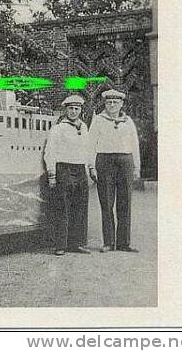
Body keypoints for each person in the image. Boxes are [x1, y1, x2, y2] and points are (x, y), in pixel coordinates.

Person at [44, 95, 98, 256]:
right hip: (63, 169)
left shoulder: (84, 127)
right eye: (71, 109)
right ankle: (60, 245)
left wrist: (91, 167)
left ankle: (77, 243)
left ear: (81, 110)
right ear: (65, 110)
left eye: (77, 109)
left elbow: (88, 149)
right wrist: (52, 174)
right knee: (62, 208)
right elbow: (50, 151)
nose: (74, 112)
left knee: (80, 207)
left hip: (80, 170)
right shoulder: (58, 128)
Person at [90, 89, 141, 253]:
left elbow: (135, 145)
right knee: (106, 202)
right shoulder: (98, 120)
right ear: (105, 104)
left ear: (121, 104)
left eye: (115, 103)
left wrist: (136, 167)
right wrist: (91, 166)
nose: (112, 105)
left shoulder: (128, 122)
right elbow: (90, 144)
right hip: (104, 161)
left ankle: (124, 243)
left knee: (125, 202)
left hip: (125, 161)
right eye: (109, 102)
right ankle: (109, 242)